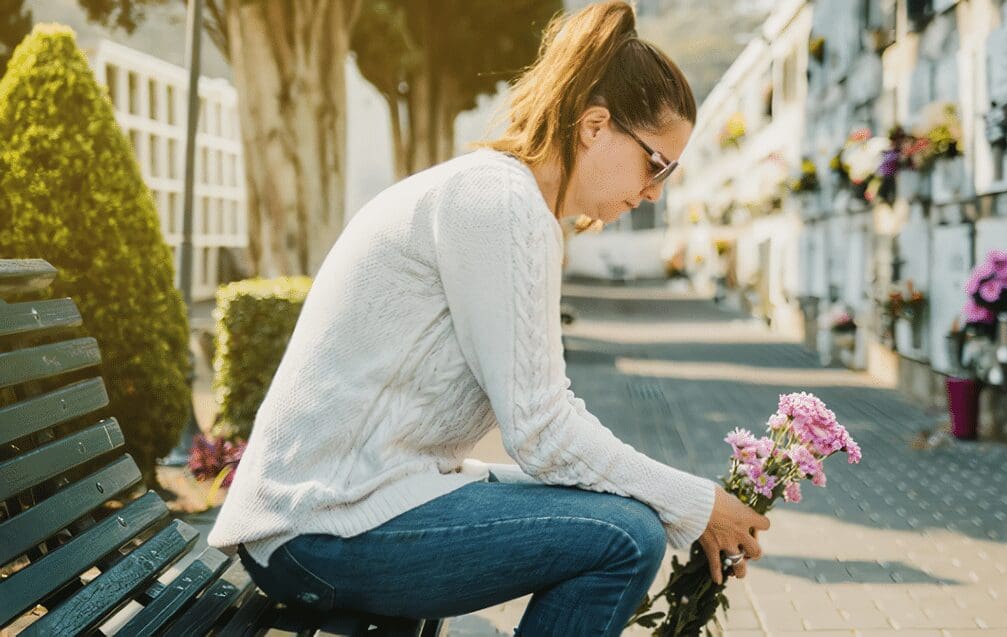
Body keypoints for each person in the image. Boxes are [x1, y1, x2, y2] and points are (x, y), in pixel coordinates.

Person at [206, 3, 771, 635]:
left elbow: (543, 424)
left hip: (341, 510)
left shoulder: (507, 201)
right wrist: (696, 504)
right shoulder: (500, 204)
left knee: (625, 511)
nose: (654, 192)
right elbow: (541, 432)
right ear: (594, 126)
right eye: (656, 164)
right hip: (317, 528)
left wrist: (670, 499)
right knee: (627, 536)